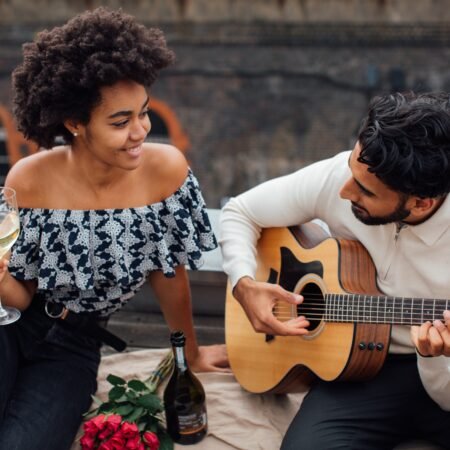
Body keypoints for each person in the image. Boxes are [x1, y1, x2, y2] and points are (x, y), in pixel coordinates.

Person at [0, 7, 228, 450]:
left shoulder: (166, 172)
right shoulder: (27, 179)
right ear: (75, 123)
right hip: (10, 326)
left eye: (143, 113)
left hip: (74, 346)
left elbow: (169, 273)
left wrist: (191, 355)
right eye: (121, 122)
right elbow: (20, 295)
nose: (141, 131)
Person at [219, 91, 450, 449]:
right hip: (362, 372)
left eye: (365, 191)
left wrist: (435, 359)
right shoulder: (353, 171)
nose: (343, 192)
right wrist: (244, 283)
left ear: (421, 202)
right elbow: (240, 212)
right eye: (350, 172)